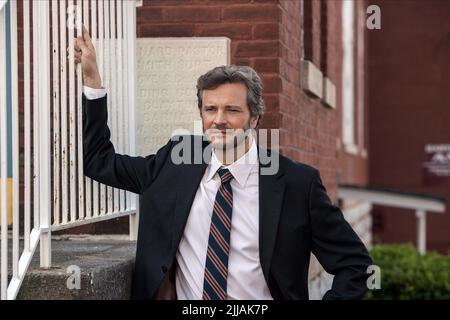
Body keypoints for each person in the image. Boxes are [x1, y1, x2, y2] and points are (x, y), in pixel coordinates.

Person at [74, 26, 373, 300]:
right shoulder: (176, 163)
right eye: (210, 109)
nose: (219, 120)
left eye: (232, 110)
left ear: (254, 118)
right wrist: (92, 81)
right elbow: (98, 161)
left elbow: (355, 265)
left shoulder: (297, 184)